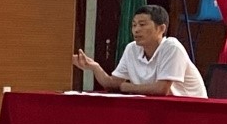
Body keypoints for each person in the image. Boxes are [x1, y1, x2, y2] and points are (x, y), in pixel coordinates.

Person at [72, 5, 207, 98]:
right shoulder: (131, 49)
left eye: (142, 25)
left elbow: (161, 89)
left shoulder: (172, 47)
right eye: (134, 25)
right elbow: (113, 84)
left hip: (192, 110)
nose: (136, 30)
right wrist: (94, 67)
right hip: (159, 108)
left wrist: (126, 87)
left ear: (161, 29)